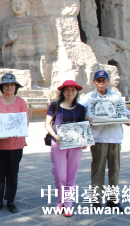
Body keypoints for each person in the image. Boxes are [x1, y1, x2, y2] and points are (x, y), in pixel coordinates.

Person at [79, 70, 130, 212]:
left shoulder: (116, 97)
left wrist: (129, 120)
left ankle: (113, 201)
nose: (101, 82)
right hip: (99, 138)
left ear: (108, 81)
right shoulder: (88, 98)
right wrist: (86, 118)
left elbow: (125, 115)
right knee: (98, 170)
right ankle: (96, 201)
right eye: (98, 80)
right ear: (94, 82)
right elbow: (79, 113)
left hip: (115, 137)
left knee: (114, 170)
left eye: (104, 80)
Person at [0, 73, 29, 214]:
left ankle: (10, 201)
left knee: (12, 173)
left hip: (15, 144)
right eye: (6, 85)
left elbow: (24, 121)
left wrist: (21, 130)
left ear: (15, 87)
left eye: (11, 84)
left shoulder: (21, 102)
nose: (9, 87)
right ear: (1, 87)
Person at [44, 80, 87, 217]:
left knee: (71, 175)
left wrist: (84, 141)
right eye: (67, 90)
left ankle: (68, 203)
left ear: (76, 92)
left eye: (73, 90)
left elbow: (82, 127)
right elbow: (47, 123)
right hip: (58, 143)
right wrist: (54, 135)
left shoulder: (80, 108)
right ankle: (60, 201)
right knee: (60, 174)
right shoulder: (55, 106)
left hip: (75, 145)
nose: (70, 92)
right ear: (63, 92)